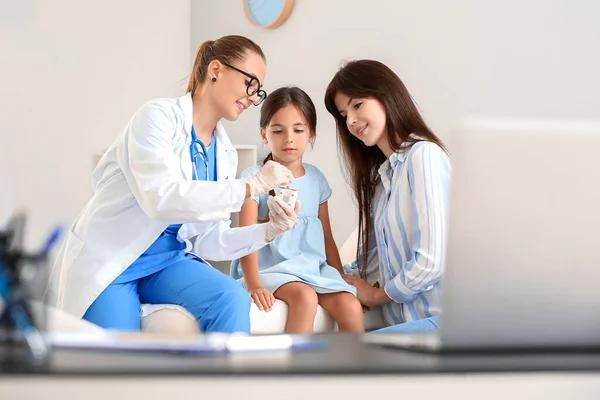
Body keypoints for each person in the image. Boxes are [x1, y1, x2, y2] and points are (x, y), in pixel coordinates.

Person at [43, 35, 299, 334]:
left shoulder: (224, 154)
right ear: (215, 69)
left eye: (258, 91)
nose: (253, 98)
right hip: (113, 260)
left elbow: (208, 239)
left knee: (230, 297)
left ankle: (230, 382)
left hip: (168, 262)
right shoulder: (157, 118)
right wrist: (250, 185)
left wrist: (268, 230)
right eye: (249, 84)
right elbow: (159, 198)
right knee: (117, 351)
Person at [324, 60, 451, 333]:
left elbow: (431, 261)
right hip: (403, 325)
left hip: (441, 323)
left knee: (350, 358)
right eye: (344, 114)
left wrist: (376, 296)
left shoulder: (423, 156)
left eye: (357, 105)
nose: (351, 121)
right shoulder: (383, 181)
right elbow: (379, 260)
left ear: (386, 95)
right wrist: (323, 275)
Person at [230, 86, 364, 333]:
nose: (288, 138)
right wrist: (253, 284)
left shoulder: (316, 179)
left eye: (298, 130)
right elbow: (244, 238)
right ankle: (297, 370)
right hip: (272, 270)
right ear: (264, 134)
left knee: (350, 306)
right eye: (278, 131)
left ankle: (350, 370)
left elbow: (326, 236)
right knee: (304, 297)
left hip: (313, 269)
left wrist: (339, 276)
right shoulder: (253, 179)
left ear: (311, 134)